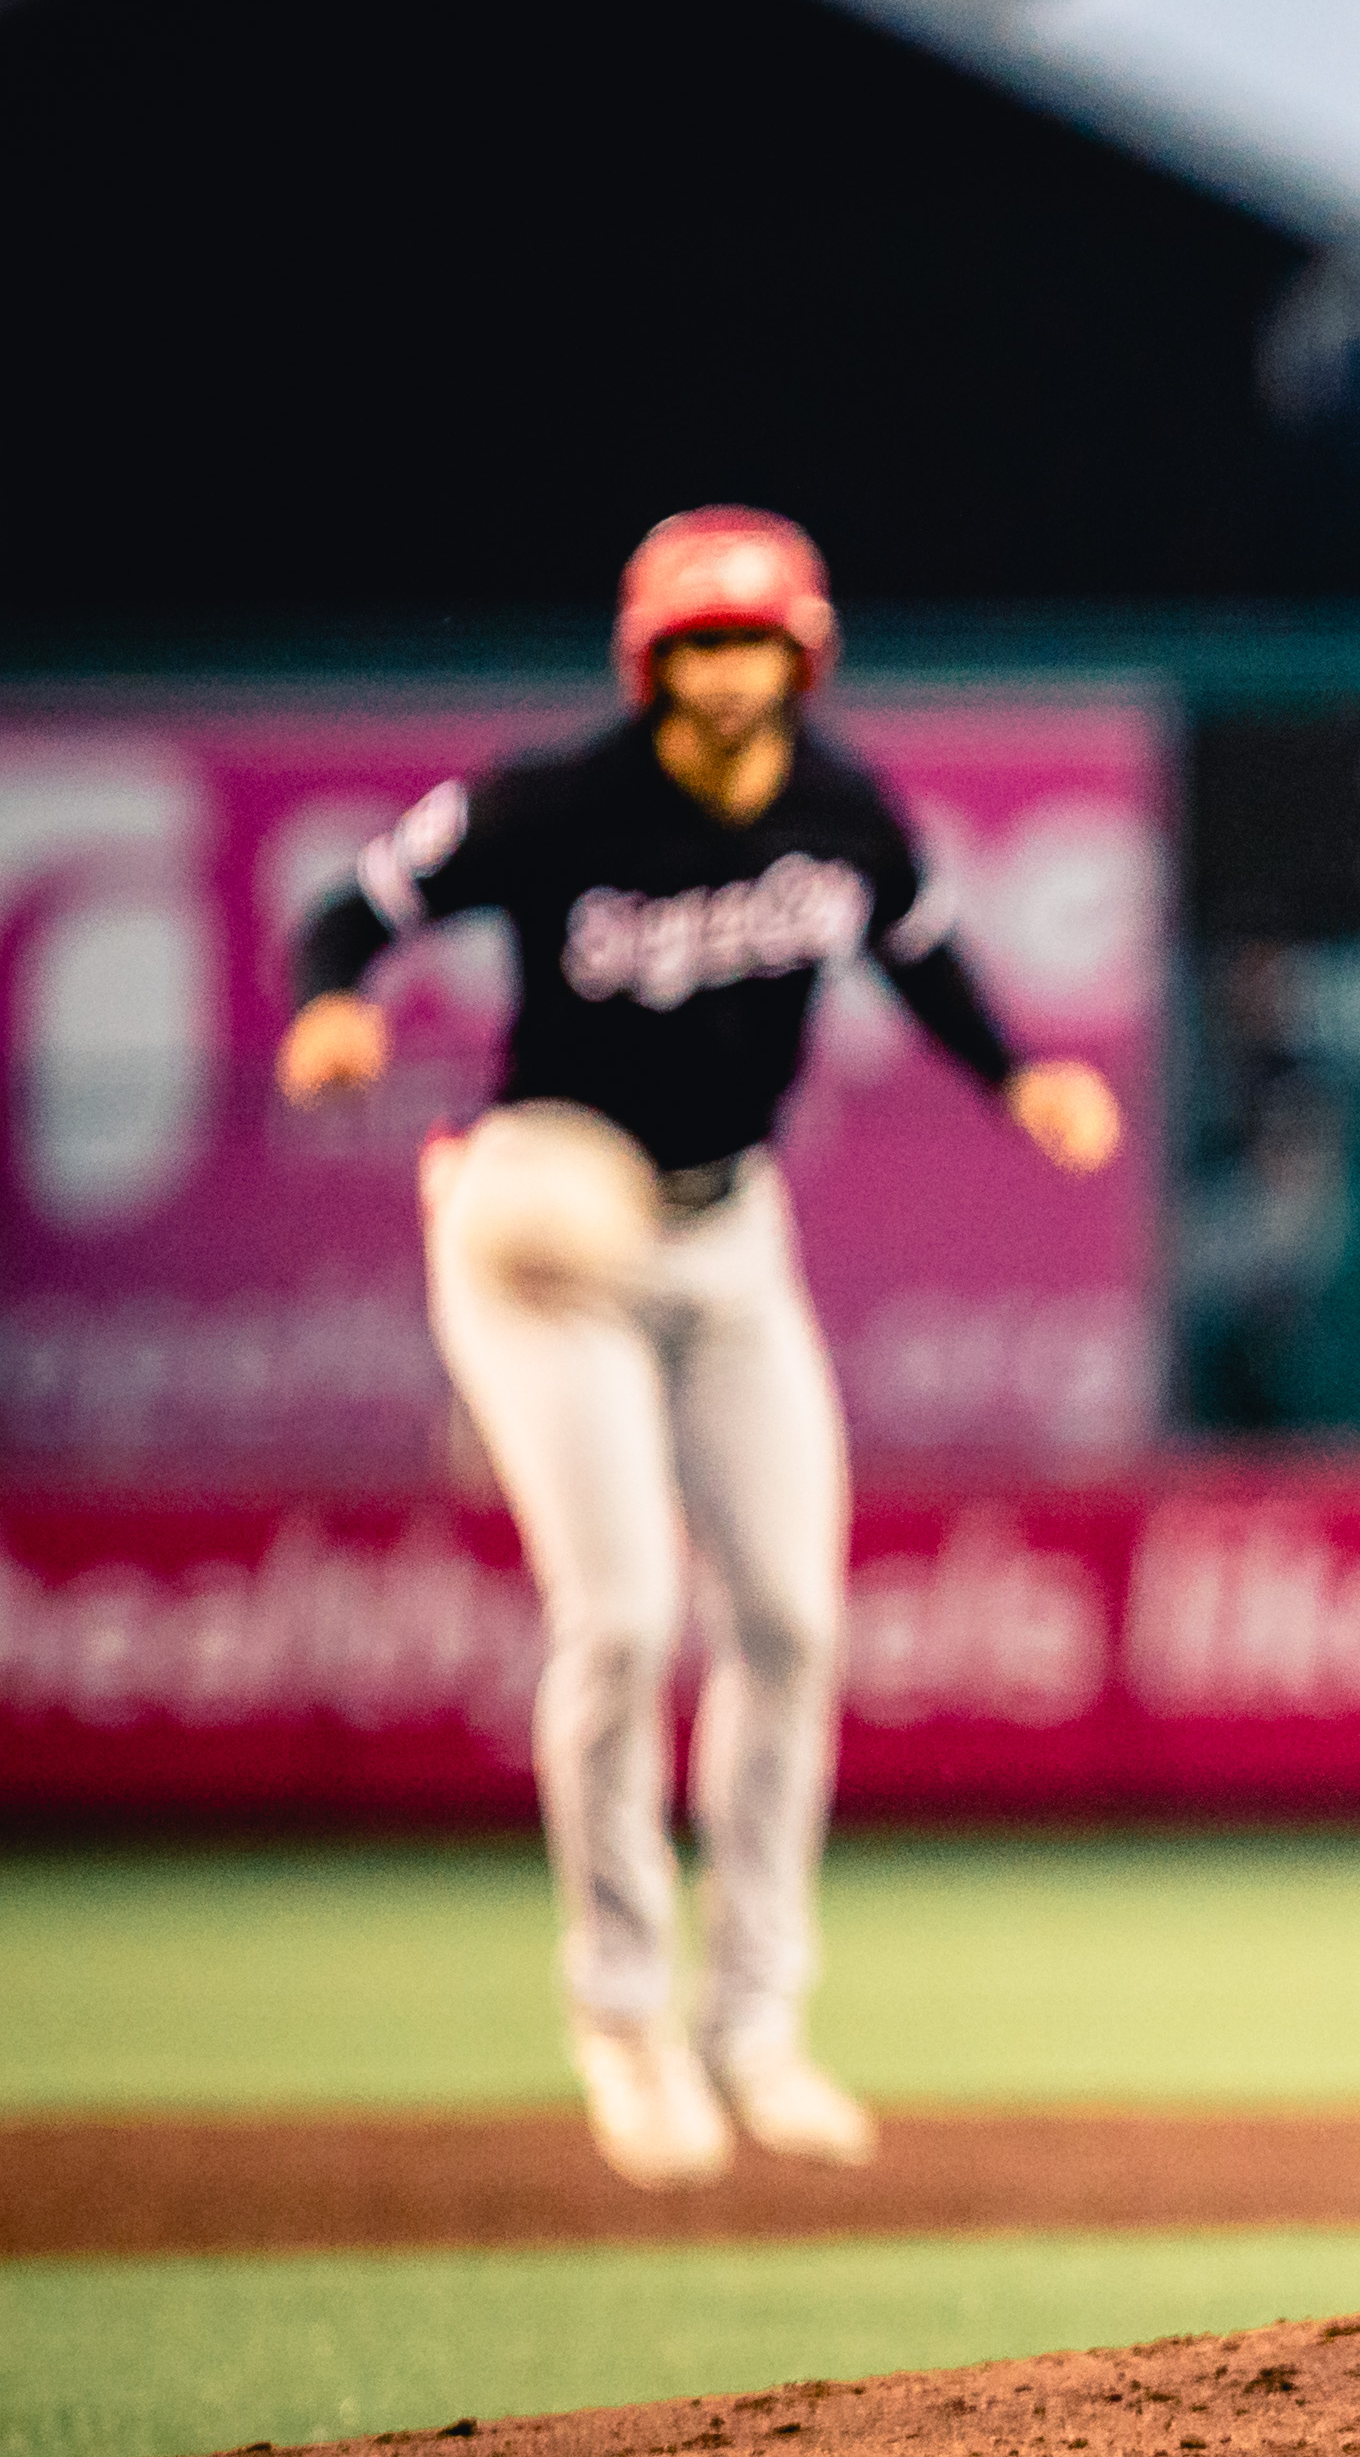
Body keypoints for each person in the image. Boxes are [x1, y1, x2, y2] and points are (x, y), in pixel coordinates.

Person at [277, 508, 1124, 2189]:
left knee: (794, 1624)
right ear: (651, 661)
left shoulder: (844, 808)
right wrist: (330, 1001)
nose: (730, 670)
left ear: (803, 657)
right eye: (700, 643)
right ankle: (622, 2022)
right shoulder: (555, 802)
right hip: (550, 1231)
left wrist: (1018, 1075)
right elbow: (353, 908)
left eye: (754, 641)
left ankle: (756, 2029)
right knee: (623, 1621)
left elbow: (929, 955)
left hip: (730, 1230)